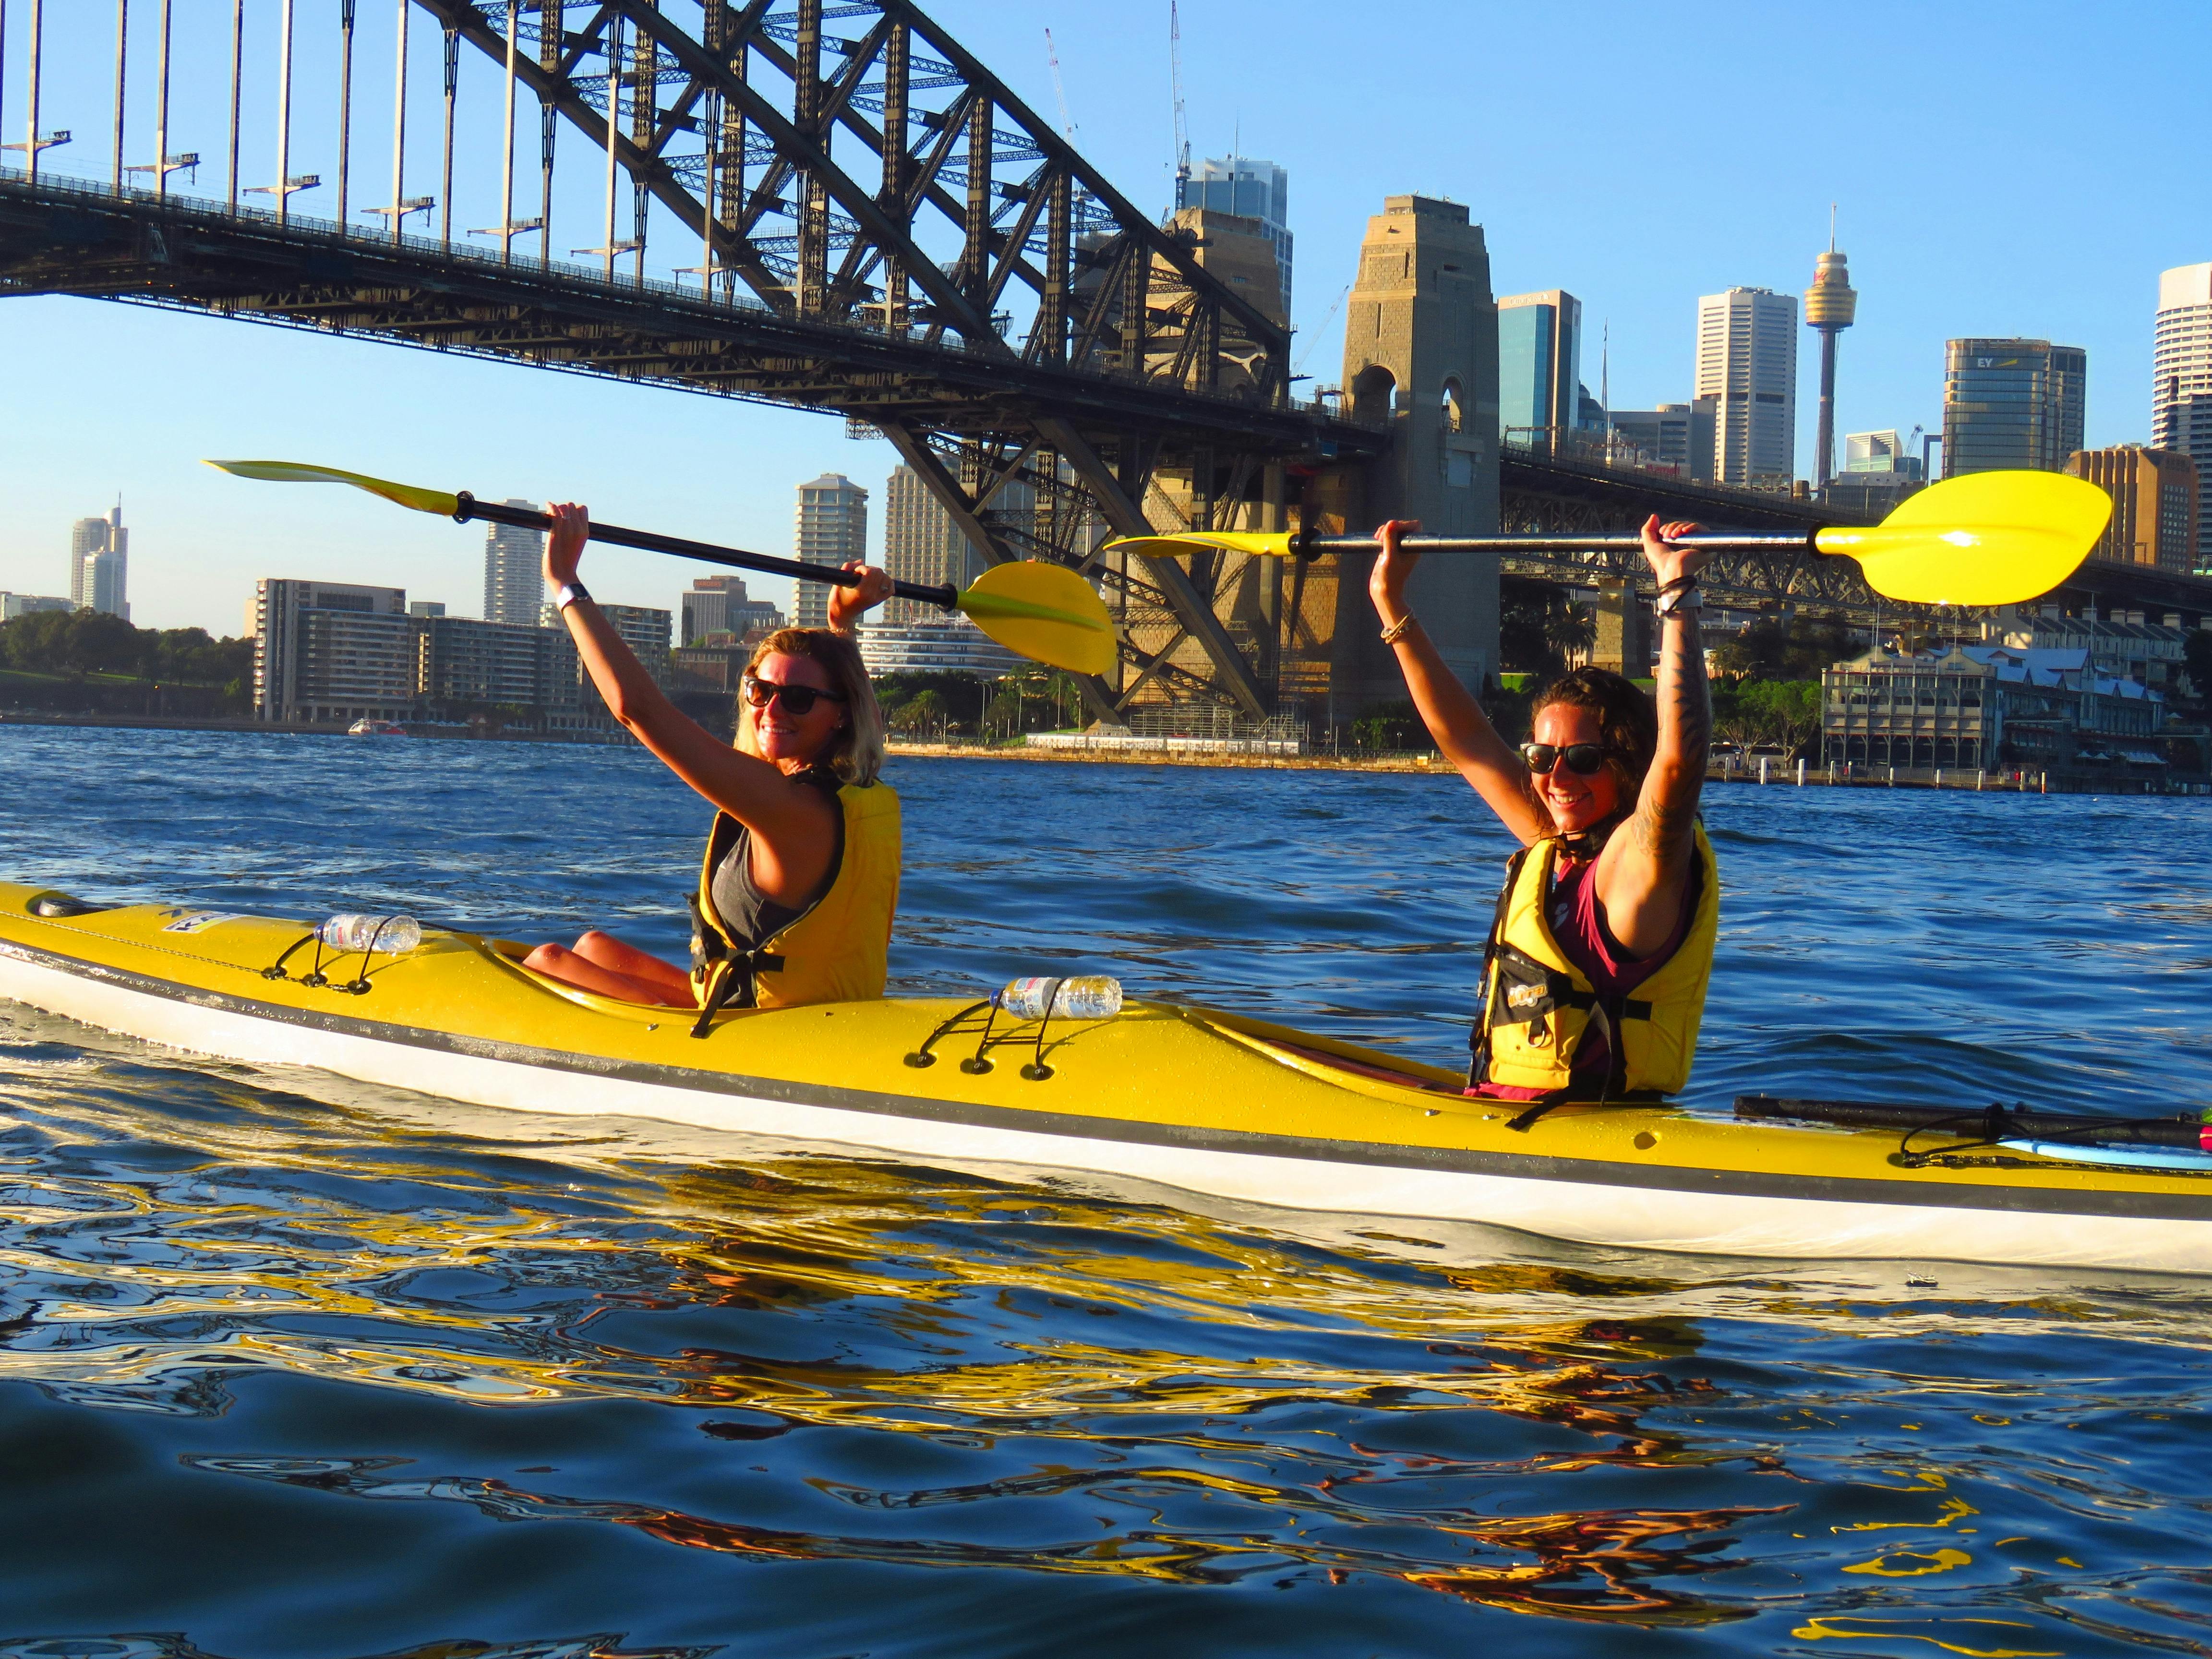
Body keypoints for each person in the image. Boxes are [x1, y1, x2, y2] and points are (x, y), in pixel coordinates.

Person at [1368, 515, 1719, 1112]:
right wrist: (1389, 601)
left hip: (1579, 1132)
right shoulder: (1556, 841)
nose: (1556, 779)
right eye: (1541, 756)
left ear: (1627, 764)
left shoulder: (1639, 864)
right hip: (1508, 1112)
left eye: (1582, 759)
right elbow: (1468, 742)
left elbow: (1681, 759)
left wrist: (1676, 594)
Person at [522, 503, 901, 1034]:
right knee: (591, 946)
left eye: (797, 699)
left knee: (547, 962)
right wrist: (842, 625)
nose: (771, 710)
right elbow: (847, 695)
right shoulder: (853, 789)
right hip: (805, 1011)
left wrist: (565, 582)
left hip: (773, 1033)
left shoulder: (792, 808)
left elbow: (637, 709)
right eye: (761, 691)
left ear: (839, 715)